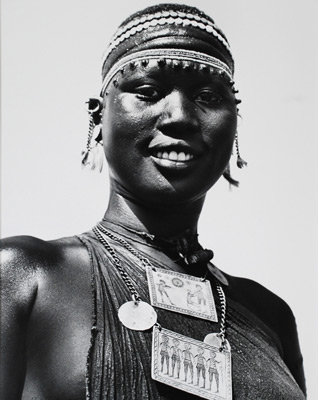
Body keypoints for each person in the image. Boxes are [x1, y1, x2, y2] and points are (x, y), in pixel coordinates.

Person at [0, 3, 306, 399]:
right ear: (98, 118)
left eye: (209, 96)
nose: (179, 116)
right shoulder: (26, 278)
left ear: (234, 124)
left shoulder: (270, 316)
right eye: (147, 91)